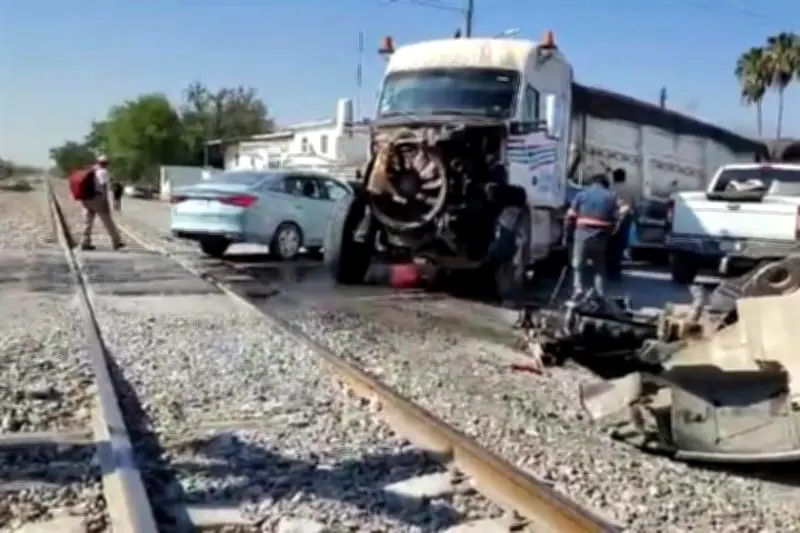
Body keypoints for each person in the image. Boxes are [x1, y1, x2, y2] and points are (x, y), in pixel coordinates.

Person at [565, 171, 627, 299]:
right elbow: (624, 210)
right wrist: (616, 226)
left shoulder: (582, 194)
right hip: (601, 236)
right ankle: (600, 294)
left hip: (582, 233)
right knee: (599, 266)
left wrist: (568, 232)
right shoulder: (612, 196)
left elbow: (570, 214)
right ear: (605, 184)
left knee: (578, 264)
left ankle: (578, 289)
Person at [80, 155, 125, 251]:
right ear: (106, 163)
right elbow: (103, 186)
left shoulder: (91, 170)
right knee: (107, 220)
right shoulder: (103, 172)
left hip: (86, 198)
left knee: (88, 221)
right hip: (98, 198)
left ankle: (85, 242)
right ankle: (116, 242)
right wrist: (105, 200)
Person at [606, 168, 633, 280]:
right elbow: (632, 205)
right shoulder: (629, 190)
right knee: (620, 245)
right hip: (624, 219)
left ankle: (608, 269)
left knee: (610, 245)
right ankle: (616, 271)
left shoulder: (609, 188)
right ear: (624, 177)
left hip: (611, 218)